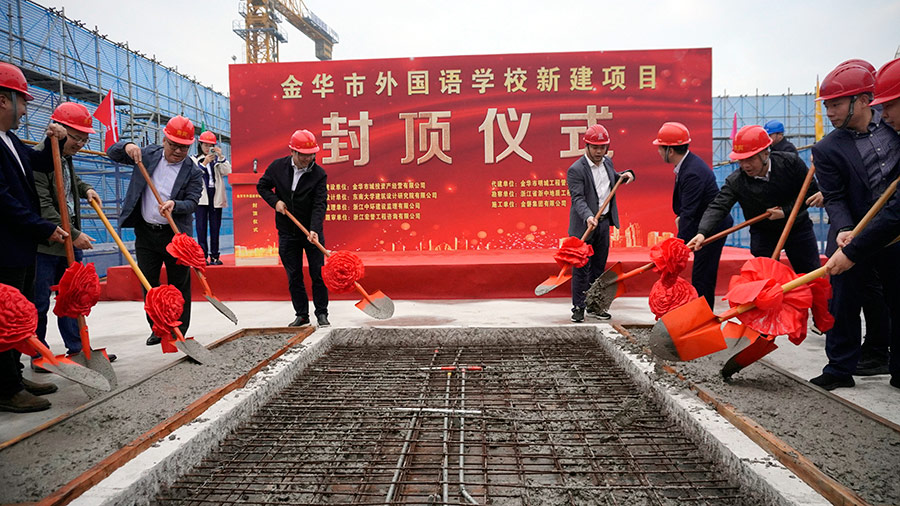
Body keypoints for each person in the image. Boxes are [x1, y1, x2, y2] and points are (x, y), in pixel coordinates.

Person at [813, 63, 900, 390]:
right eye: (827, 105)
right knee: (843, 300)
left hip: (894, 232)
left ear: (863, 101)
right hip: (854, 234)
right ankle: (839, 368)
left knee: (895, 299)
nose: (830, 112)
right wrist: (843, 229)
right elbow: (834, 197)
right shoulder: (826, 148)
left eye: (836, 104)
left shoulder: (894, 127)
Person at [0, 61, 69, 413]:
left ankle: (13, 376)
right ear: (3, 100)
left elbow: (41, 163)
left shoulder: (10, 140)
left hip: (20, 247)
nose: (26, 110)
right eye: (23, 101)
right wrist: (43, 227)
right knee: (4, 318)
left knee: (19, 315)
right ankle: (6, 389)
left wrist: (55, 140)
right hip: (4, 248)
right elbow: (3, 200)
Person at [32, 102, 118, 371]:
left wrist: (87, 189)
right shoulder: (39, 159)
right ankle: (39, 354)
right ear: (58, 130)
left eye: (84, 139)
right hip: (46, 246)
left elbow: (72, 182)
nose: (80, 144)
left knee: (74, 296)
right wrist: (75, 235)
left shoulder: (65, 157)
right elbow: (43, 206)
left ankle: (78, 347)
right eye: (75, 138)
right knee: (39, 302)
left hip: (69, 240)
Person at [107, 116, 203, 346]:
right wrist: (127, 146)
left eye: (184, 147)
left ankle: (179, 331)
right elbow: (112, 152)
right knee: (149, 283)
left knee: (179, 284)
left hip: (175, 236)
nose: (178, 151)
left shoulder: (193, 171)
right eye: (174, 145)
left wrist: (175, 205)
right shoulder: (147, 155)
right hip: (146, 233)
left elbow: (192, 202)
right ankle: (157, 328)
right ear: (164, 140)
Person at [687, 125, 823, 277]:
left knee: (811, 276)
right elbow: (718, 206)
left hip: (797, 226)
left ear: (765, 154)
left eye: (750, 159)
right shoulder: (736, 181)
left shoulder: (790, 163)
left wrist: (785, 211)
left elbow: (810, 193)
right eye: (741, 160)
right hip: (763, 232)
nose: (745, 165)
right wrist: (703, 232)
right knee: (765, 279)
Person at [653, 122, 732, 309]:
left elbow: (688, 212)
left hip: (712, 228)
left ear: (670, 150)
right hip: (702, 224)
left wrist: (677, 250)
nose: (658, 151)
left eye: (660, 147)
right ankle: (700, 313)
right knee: (701, 273)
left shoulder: (692, 173)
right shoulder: (687, 165)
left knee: (703, 275)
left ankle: (703, 316)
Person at [257, 129, 330, 328]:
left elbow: (320, 204)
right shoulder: (277, 167)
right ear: (293, 152)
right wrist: (275, 202)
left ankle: (322, 313)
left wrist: (314, 229)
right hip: (287, 232)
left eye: (311, 154)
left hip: (311, 233)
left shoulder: (319, 174)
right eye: (303, 155)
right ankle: (302, 314)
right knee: (294, 275)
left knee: (318, 273)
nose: (308, 158)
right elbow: (262, 186)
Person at [567, 124, 635, 323]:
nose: (599, 152)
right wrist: (589, 216)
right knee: (581, 268)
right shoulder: (576, 170)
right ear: (586, 146)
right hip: (585, 225)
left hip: (603, 224)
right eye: (595, 147)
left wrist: (627, 175)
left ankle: (594, 305)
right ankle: (578, 306)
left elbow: (613, 179)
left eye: (602, 147)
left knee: (598, 267)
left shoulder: (607, 162)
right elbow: (578, 199)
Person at [192, 131, 231, 265]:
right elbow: (194, 174)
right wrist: (204, 163)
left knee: (215, 226)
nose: (208, 148)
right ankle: (202, 256)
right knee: (201, 227)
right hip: (202, 196)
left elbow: (227, 171)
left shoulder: (217, 160)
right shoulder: (194, 159)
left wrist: (220, 156)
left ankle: (215, 255)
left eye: (211, 146)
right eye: (206, 145)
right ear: (200, 145)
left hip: (215, 195)